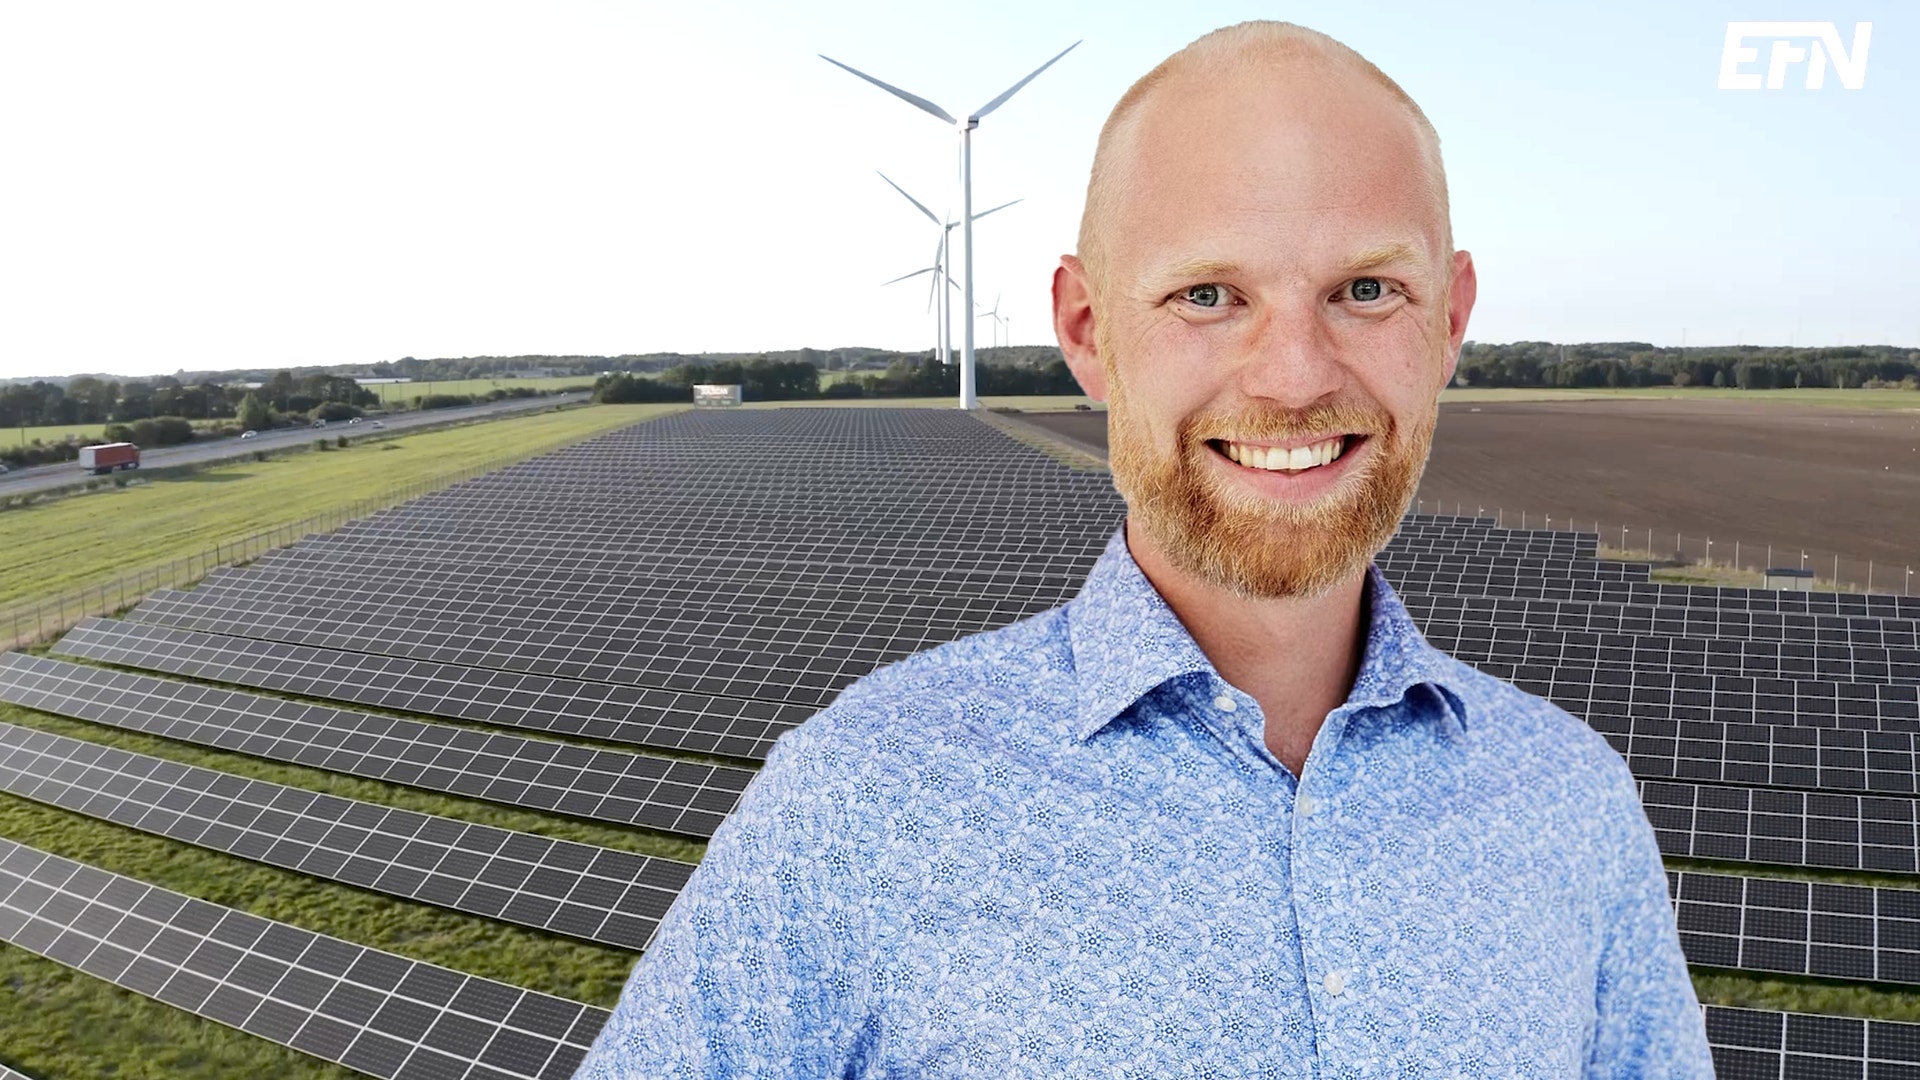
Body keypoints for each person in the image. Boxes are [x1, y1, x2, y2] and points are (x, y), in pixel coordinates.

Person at [573, 21, 1711, 1077]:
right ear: (1086, 328)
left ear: (1450, 319)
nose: (1295, 376)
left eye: (1367, 290)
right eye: (1208, 295)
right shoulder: (863, 798)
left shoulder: (1572, 803)